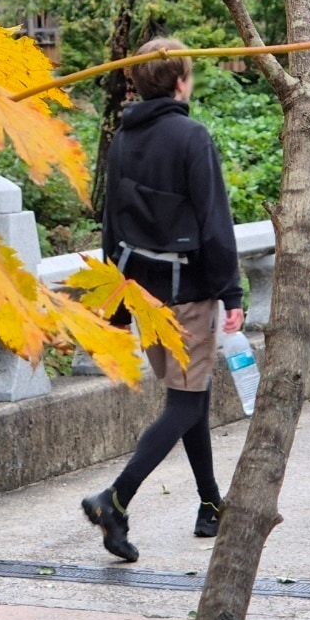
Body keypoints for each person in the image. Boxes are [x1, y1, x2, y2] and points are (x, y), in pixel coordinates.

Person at [82, 38, 243, 563]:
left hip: (142, 293)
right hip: (189, 293)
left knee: (187, 393)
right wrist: (231, 290)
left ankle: (210, 504)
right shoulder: (192, 136)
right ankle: (116, 499)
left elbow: (111, 225)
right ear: (180, 82)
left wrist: (118, 300)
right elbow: (213, 221)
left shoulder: (122, 140)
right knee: (187, 401)